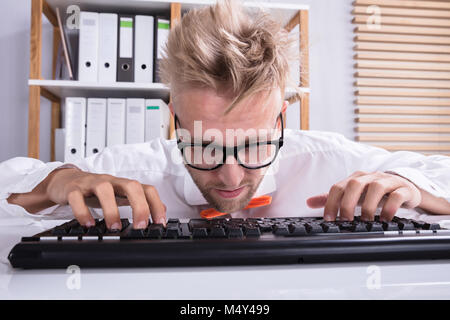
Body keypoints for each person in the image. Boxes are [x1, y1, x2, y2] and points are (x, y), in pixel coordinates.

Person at [1, 0, 449, 231]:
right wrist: (53, 183)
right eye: (204, 144)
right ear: (174, 119)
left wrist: (414, 188)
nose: (231, 175)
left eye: (254, 143)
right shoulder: (132, 170)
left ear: (283, 121)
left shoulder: (330, 160)